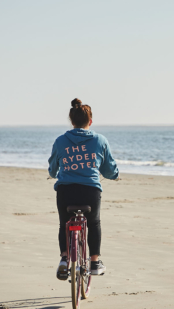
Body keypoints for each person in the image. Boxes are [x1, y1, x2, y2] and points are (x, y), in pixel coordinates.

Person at [48, 98, 120, 280]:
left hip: (66, 191)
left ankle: (64, 259)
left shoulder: (60, 141)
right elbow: (109, 168)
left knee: (64, 224)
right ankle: (94, 262)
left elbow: (53, 167)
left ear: (72, 121)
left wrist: (54, 173)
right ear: (91, 121)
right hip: (90, 192)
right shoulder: (100, 140)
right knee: (94, 222)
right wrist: (114, 175)